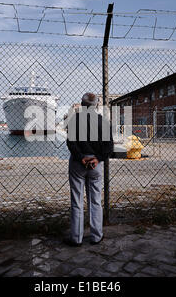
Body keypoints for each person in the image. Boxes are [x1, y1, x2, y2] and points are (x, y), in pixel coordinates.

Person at [64, 92, 114, 246]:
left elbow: (71, 143)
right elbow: (109, 147)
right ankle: (96, 236)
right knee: (95, 201)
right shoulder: (103, 122)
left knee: (77, 201)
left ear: (82, 104)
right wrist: (97, 158)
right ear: (96, 105)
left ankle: (76, 238)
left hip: (78, 164)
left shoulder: (74, 120)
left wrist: (81, 157)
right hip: (95, 165)